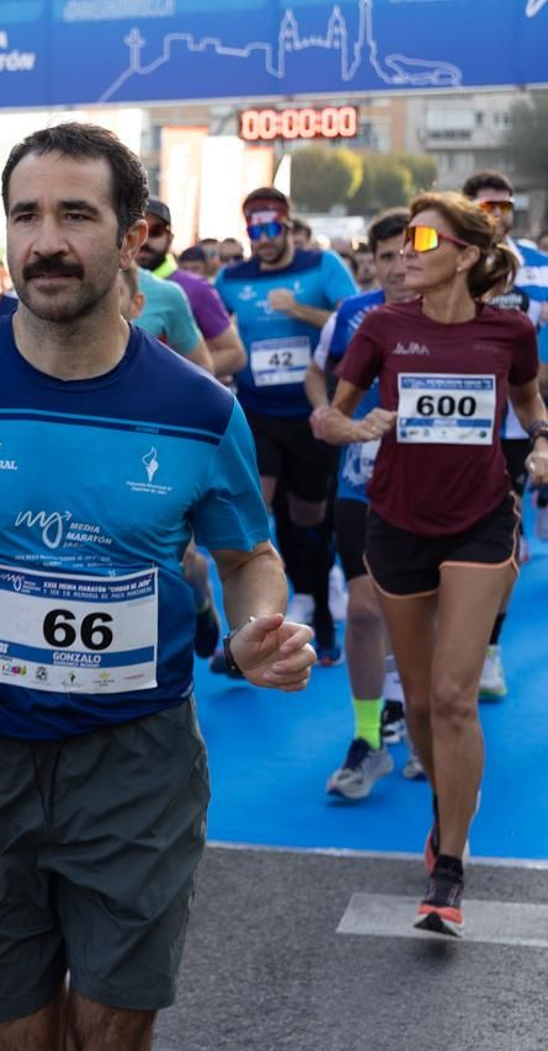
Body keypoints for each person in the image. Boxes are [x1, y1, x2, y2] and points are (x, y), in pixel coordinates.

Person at [0, 121, 315, 1051]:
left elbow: (248, 552)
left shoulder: (198, 408)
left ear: (132, 236)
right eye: (26, 215)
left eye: (76, 215)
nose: (45, 240)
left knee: (111, 1037)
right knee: (10, 1048)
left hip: (137, 763)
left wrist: (262, 621)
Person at [322, 191, 548, 937]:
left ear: (468, 255)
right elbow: (328, 414)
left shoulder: (510, 329)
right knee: (417, 706)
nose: (407, 251)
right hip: (397, 523)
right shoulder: (382, 326)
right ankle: (442, 807)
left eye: (424, 238)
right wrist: (356, 424)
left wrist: (542, 443)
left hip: (482, 518)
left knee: (454, 696)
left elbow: (529, 403)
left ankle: (450, 865)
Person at [216, 187, 359, 668]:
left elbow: (357, 324)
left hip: (312, 414)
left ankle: (317, 604)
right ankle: (242, 634)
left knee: (308, 519)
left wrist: (300, 311)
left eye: (272, 227)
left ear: (287, 223)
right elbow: (209, 330)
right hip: (256, 413)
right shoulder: (232, 278)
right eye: (255, 230)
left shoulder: (322, 267)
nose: (264, 238)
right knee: (253, 517)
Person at [307, 208, 414, 800]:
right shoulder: (353, 315)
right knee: (368, 610)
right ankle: (369, 738)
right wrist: (327, 412)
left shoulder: (461, 318)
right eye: (388, 256)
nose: (400, 266)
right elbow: (317, 375)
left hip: (435, 494)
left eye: (409, 252)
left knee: (419, 614)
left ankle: (416, 718)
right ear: (371, 261)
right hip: (359, 485)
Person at [463, 169, 548, 698]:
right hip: (449, 426)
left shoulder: (537, 270)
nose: (497, 215)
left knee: (505, 540)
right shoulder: (452, 262)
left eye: (505, 206)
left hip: (513, 427)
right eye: (486, 206)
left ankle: (489, 649)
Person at [138, 198, 246, 377]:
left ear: (170, 238)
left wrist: (176, 381)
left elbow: (235, 354)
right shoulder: (107, 284)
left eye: (155, 231)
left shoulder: (194, 288)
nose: (145, 240)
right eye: (137, 228)